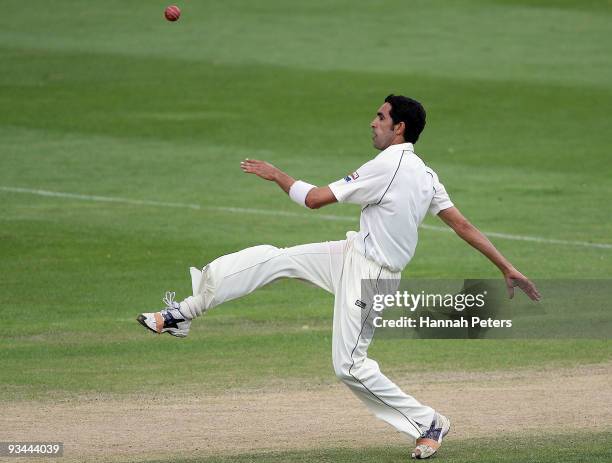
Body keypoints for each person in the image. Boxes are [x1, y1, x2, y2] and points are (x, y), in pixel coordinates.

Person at [137, 94, 541, 460]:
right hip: (353, 253)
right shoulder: (425, 173)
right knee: (277, 260)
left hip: (374, 277)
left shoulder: (388, 166)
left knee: (348, 365)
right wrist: (505, 266)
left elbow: (314, 200)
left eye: (380, 117)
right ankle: (182, 314)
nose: (372, 122)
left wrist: (277, 174)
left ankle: (428, 423)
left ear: (399, 127)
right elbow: (463, 224)